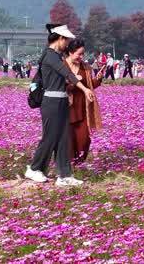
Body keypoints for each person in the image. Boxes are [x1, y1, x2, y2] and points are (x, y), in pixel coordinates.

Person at [26, 24, 93, 186]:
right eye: (66, 40)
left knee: (64, 138)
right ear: (60, 39)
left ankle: (64, 175)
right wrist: (84, 89)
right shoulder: (50, 56)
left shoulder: (55, 55)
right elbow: (68, 74)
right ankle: (34, 168)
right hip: (51, 102)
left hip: (61, 101)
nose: (67, 43)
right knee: (50, 136)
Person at [64, 39, 103, 163]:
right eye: (79, 54)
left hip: (82, 109)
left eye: (82, 54)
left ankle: (79, 164)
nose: (81, 57)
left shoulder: (85, 68)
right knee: (68, 141)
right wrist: (71, 84)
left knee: (84, 140)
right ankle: (68, 167)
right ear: (70, 52)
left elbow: (89, 85)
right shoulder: (62, 66)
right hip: (65, 109)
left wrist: (98, 79)